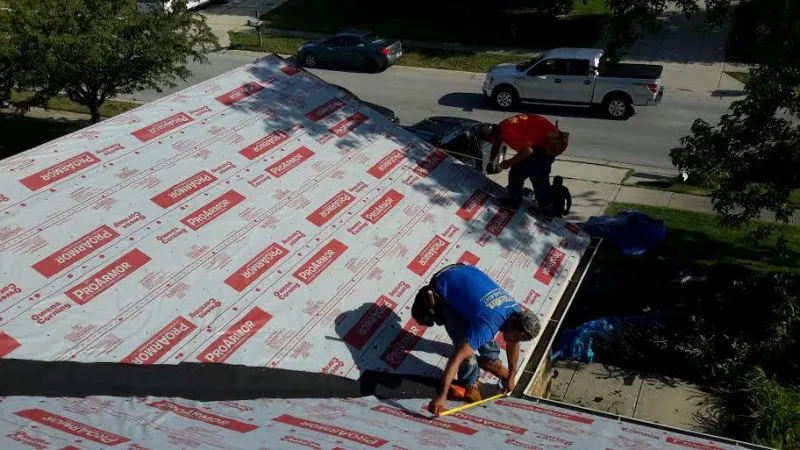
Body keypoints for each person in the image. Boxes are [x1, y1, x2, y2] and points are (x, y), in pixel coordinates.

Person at [411, 263, 541, 416]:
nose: (515, 340)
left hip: (464, 272)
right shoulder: (488, 324)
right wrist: (442, 396)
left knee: (481, 331)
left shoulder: (517, 313)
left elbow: (514, 343)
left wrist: (511, 376)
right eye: (517, 336)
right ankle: (469, 383)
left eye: (521, 338)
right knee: (466, 350)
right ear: (513, 322)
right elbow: (457, 357)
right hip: (443, 284)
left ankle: (490, 360)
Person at [478, 115, 569, 212]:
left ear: (493, 135)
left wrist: (509, 162)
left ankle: (513, 203)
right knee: (539, 177)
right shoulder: (502, 126)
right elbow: (497, 144)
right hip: (547, 143)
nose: (489, 142)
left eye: (488, 140)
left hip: (544, 147)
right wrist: (491, 161)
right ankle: (547, 209)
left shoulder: (508, 132)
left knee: (516, 173)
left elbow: (527, 151)